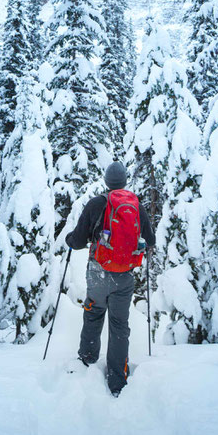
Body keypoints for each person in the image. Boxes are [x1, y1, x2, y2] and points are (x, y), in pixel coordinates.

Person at [65, 160, 155, 396]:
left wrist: (69, 240)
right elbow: (151, 240)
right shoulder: (136, 205)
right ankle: (117, 380)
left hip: (98, 273)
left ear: (106, 182)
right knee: (119, 326)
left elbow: (78, 241)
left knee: (93, 314)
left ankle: (87, 362)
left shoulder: (96, 204)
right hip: (124, 277)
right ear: (124, 181)